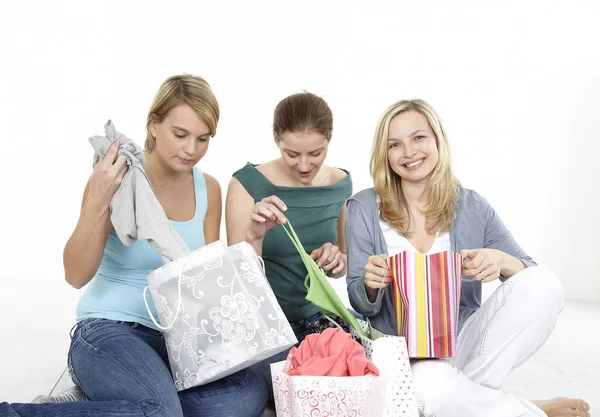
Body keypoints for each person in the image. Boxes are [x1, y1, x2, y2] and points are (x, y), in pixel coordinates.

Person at [0, 75, 267, 417]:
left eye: (203, 139)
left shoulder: (208, 189)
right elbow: (75, 275)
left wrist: (253, 241)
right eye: (180, 134)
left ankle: (106, 403)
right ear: (154, 125)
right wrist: (99, 197)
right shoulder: (117, 178)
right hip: (109, 330)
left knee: (245, 396)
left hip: (176, 341)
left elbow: (200, 284)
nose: (191, 150)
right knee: (159, 410)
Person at [345, 99, 591, 417]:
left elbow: (530, 273)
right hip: (402, 352)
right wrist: (370, 284)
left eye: (418, 137)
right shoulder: (363, 207)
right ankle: (525, 410)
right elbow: (358, 299)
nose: (408, 152)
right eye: (395, 144)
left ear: (437, 140)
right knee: (426, 381)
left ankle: (461, 400)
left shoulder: (472, 206)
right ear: (385, 153)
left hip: (459, 339)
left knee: (546, 284)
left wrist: (501, 261)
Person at [225, 92, 352, 399]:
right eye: (292, 154)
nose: (305, 165)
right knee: (301, 392)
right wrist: (255, 234)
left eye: (316, 153)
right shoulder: (247, 184)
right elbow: (236, 278)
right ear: (275, 139)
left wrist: (336, 260)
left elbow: (344, 263)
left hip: (318, 319)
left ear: (330, 138)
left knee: (362, 383)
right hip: (264, 328)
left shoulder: (341, 184)